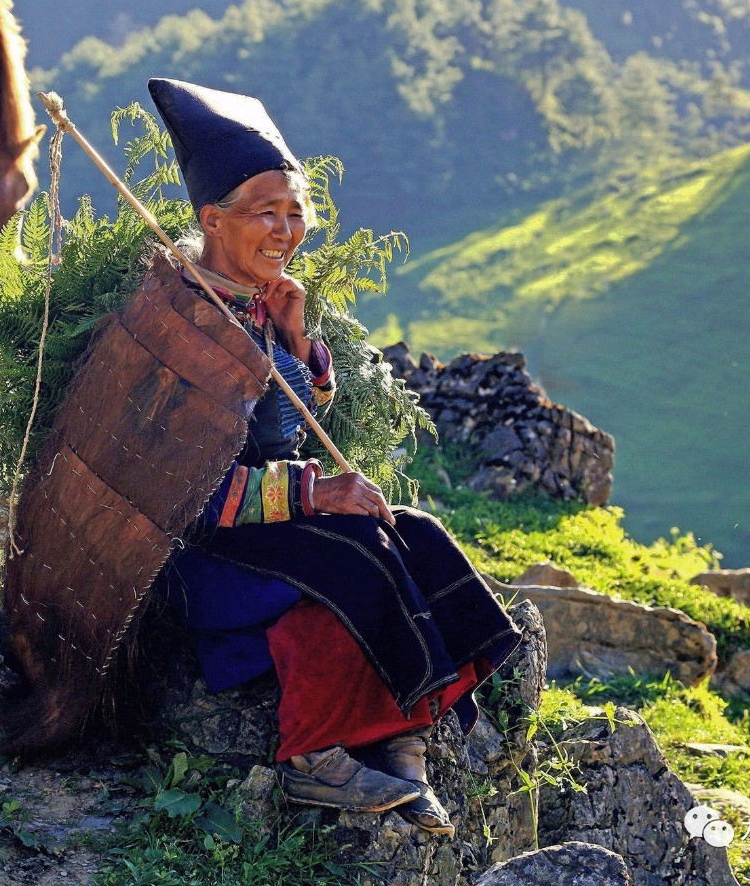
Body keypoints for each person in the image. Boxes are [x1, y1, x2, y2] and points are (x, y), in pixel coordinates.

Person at [148, 78, 522, 836]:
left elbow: (284, 424)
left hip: (265, 527)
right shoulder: (183, 320)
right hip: (205, 555)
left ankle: (404, 735)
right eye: (266, 212)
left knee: (409, 531)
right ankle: (315, 759)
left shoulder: (251, 304)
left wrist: (295, 341)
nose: (287, 230)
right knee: (353, 558)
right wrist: (316, 495)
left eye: (296, 211)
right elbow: (189, 487)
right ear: (210, 218)